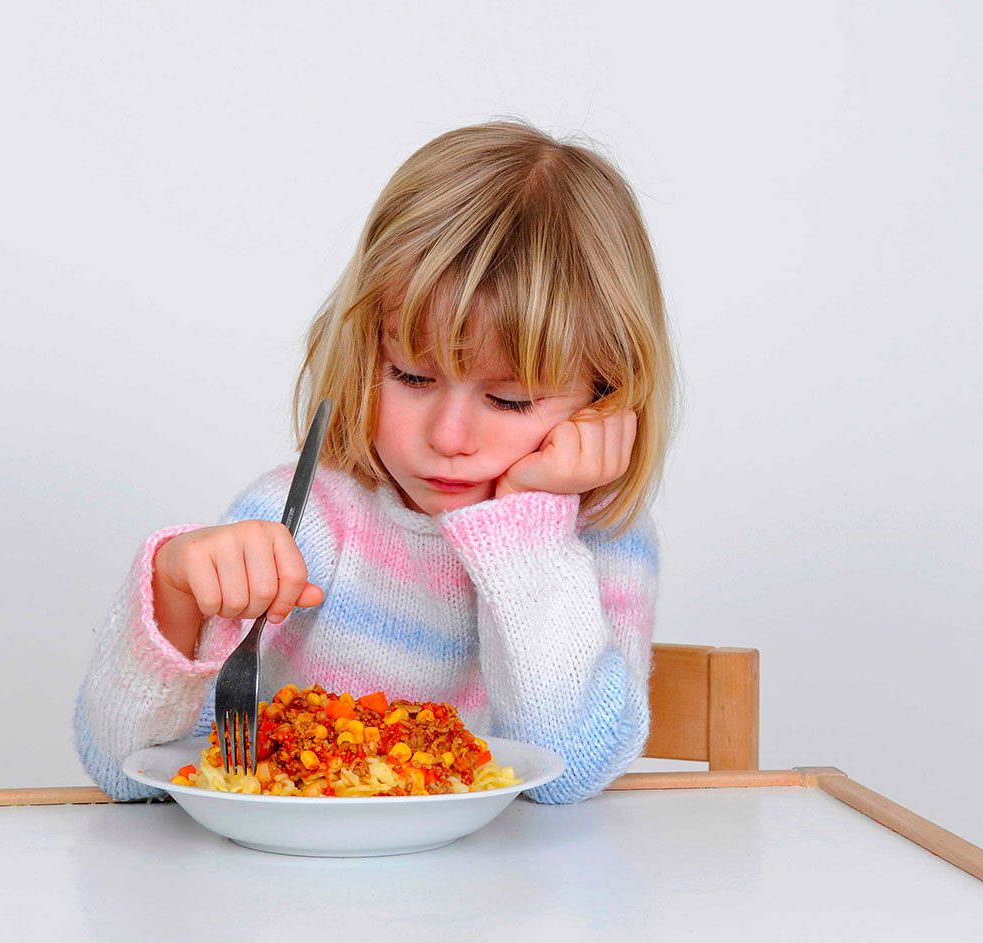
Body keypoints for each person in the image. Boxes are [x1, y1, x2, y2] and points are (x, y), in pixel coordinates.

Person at [74, 118, 677, 804]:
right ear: (366, 354)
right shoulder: (303, 519)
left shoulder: (602, 537)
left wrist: (529, 526)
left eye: (510, 399)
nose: (449, 436)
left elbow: (567, 770)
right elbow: (127, 768)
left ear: (607, 396)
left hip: (498, 900)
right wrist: (175, 591)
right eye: (413, 378)